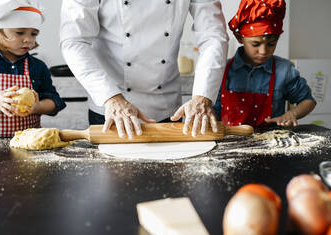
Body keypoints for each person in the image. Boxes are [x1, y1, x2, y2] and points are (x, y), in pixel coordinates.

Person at [60, 0, 228, 139]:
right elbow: (74, 41)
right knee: (110, 177)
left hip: (166, 106)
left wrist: (203, 96)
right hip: (110, 107)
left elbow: (212, 36)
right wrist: (111, 98)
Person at [213, 0, 316, 127]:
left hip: (271, 143)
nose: (263, 51)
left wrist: (292, 114)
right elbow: (215, 111)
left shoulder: (284, 70)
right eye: (255, 44)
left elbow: (308, 101)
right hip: (230, 143)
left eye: (271, 44)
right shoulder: (223, 70)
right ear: (240, 37)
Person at [0, 0, 66, 138]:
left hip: (30, 142)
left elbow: (55, 101)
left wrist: (37, 107)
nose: (28, 39)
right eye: (20, 32)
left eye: (33, 34)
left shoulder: (37, 66)